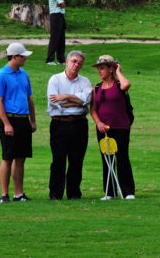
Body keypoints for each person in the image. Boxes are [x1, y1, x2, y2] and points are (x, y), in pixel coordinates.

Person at [0, 43, 36, 203]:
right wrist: (6, 123)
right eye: (23, 56)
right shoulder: (1, 75)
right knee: (8, 157)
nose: (25, 58)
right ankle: (4, 194)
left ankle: (19, 193)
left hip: (23, 120)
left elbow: (29, 98)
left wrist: (32, 120)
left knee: (21, 158)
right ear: (14, 57)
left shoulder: (24, 74)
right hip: (9, 119)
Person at [47, 50, 92, 200]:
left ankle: (74, 193)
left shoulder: (85, 81)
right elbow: (55, 104)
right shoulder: (55, 79)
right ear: (66, 62)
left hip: (79, 124)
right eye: (74, 61)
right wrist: (76, 100)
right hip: (60, 124)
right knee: (58, 160)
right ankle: (55, 194)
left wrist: (65, 97)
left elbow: (86, 100)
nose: (76, 65)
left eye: (80, 63)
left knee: (76, 160)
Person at [90, 55, 135, 200]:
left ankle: (128, 191)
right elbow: (93, 109)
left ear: (111, 69)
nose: (99, 71)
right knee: (107, 160)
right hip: (104, 128)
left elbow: (126, 85)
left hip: (121, 127)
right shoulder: (96, 87)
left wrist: (119, 72)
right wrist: (98, 123)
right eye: (98, 68)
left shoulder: (119, 85)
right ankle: (110, 192)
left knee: (122, 158)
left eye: (102, 68)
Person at [46, 0, 66, 66]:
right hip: (56, 16)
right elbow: (62, 4)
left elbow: (60, 4)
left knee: (61, 37)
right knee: (55, 38)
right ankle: (50, 59)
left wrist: (59, 4)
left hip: (57, 16)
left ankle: (61, 60)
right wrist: (60, 4)